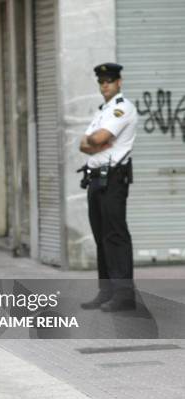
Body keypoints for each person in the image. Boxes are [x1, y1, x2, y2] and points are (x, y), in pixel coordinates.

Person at [79, 63, 138, 312]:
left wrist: (97, 142)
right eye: (101, 81)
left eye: (109, 81)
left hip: (113, 179)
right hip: (95, 179)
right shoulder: (103, 111)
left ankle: (124, 294)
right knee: (101, 237)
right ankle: (107, 291)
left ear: (119, 82)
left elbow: (99, 139)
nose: (105, 85)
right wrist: (94, 142)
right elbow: (84, 143)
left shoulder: (123, 109)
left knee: (115, 235)